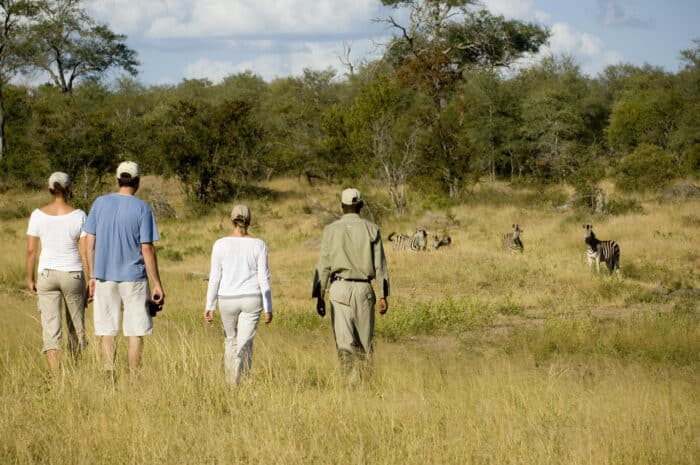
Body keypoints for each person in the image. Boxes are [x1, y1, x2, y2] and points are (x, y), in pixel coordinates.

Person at [84, 161, 165, 381]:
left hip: (103, 277)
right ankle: (133, 378)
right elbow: (146, 248)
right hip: (134, 279)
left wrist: (92, 275)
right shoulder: (142, 208)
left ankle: (108, 375)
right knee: (135, 331)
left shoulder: (99, 204)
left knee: (107, 331)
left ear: (117, 179)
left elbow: (89, 242)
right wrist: (156, 282)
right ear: (137, 182)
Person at [312, 188, 390, 384]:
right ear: (361, 206)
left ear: (342, 206)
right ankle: (364, 385)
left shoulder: (330, 230)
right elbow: (380, 265)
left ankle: (350, 385)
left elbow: (323, 265)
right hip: (364, 289)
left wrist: (319, 296)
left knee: (344, 343)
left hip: (339, 288)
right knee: (365, 344)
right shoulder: (372, 229)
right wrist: (383, 295)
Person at [26, 172, 88, 377]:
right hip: (72, 273)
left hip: (47, 274)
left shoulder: (37, 215)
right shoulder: (79, 215)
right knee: (76, 325)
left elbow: (31, 250)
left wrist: (30, 278)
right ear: (69, 189)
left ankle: (56, 378)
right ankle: (77, 371)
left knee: (51, 328)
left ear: (50, 189)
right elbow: (85, 250)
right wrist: (92, 277)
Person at [204, 204, 273, 384]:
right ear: (249, 222)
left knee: (230, 341)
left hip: (227, 299)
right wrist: (268, 307)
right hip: (252, 298)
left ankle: (230, 383)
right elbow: (263, 277)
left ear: (231, 221)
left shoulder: (220, 244)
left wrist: (209, 306)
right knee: (245, 343)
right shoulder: (259, 244)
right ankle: (241, 380)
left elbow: (215, 277)